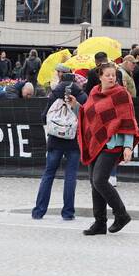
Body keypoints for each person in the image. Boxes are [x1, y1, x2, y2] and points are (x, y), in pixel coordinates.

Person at [77, 63, 139, 235]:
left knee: (99, 180)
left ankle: (121, 214)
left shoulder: (121, 94)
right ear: (100, 76)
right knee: (94, 183)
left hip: (113, 144)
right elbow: (88, 114)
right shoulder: (94, 93)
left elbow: (128, 121)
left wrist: (128, 147)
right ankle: (100, 223)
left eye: (114, 75)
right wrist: (75, 105)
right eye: (108, 75)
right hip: (95, 143)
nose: (112, 78)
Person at [33, 65, 87, 220]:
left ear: (61, 76)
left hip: (55, 140)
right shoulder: (81, 95)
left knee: (48, 174)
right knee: (71, 176)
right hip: (74, 141)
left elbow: (44, 116)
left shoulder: (55, 93)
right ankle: (68, 213)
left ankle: (39, 211)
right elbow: (88, 116)